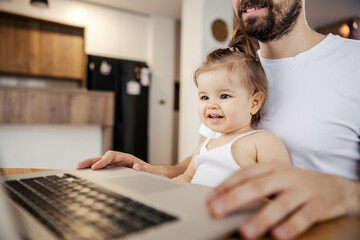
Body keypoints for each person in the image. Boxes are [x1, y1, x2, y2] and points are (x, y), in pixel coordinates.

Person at [77, 0, 360, 239]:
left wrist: (345, 192)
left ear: (255, 102)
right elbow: (205, 155)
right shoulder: (235, 70)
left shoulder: (353, 62)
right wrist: (158, 171)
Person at [172, 32, 290, 186]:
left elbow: (283, 188)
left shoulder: (261, 141)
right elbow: (187, 177)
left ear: (254, 103)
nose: (211, 105)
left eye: (224, 96)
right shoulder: (208, 141)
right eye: (204, 97)